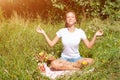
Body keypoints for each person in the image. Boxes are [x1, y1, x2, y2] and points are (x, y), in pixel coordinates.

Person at [36, 11, 103, 70]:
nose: (70, 18)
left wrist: (95, 35)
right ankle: (76, 68)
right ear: (66, 20)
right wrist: (43, 33)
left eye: (72, 17)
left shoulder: (80, 32)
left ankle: (70, 67)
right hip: (64, 59)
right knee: (54, 63)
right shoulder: (62, 31)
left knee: (92, 61)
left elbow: (89, 46)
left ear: (75, 20)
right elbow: (51, 44)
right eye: (68, 17)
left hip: (77, 59)